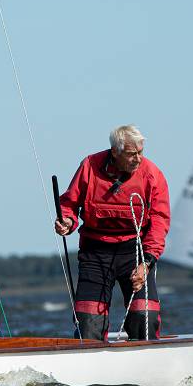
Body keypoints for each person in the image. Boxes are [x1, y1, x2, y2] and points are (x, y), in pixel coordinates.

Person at [55, 125, 170, 341]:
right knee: (89, 323)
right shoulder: (90, 166)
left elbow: (159, 222)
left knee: (144, 315)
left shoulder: (152, 174)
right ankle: (91, 356)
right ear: (115, 152)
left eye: (140, 152)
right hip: (95, 252)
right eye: (131, 154)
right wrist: (67, 222)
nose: (138, 159)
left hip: (134, 253)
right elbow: (69, 204)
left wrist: (146, 263)